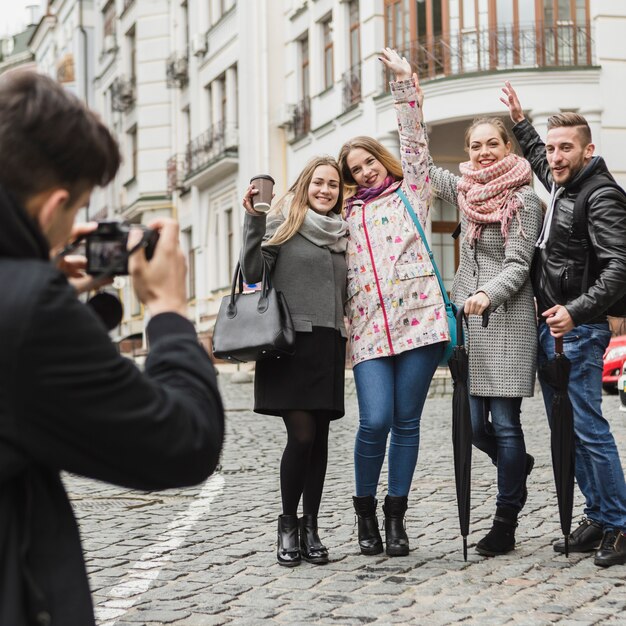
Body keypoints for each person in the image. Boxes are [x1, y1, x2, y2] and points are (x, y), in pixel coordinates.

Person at [0, 71, 224, 625]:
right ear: (53, 208)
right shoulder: (27, 310)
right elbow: (182, 442)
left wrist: (42, 284)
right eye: (76, 211)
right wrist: (169, 310)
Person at [501, 81, 626, 567]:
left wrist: (576, 310)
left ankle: (618, 523)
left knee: (589, 429)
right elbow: (537, 156)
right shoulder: (563, 182)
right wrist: (519, 121)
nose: (553, 156)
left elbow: (619, 266)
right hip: (554, 330)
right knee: (566, 432)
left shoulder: (600, 196)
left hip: (580, 328)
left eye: (565, 148)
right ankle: (597, 515)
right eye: (551, 148)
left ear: (588, 150)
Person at [337, 49, 448, 558]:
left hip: (420, 325)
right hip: (368, 331)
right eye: (353, 169)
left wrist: (404, 84)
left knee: (407, 422)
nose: (362, 173)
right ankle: (364, 511)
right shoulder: (342, 218)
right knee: (374, 419)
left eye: (366, 163)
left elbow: (415, 140)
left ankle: (395, 514)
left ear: (380, 160)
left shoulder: (413, 191)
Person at [427, 116, 543, 555]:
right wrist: (406, 95)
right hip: (469, 326)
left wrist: (485, 294)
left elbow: (518, 265)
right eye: (475, 146)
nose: (483, 152)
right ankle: (518, 467)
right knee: (474, 427)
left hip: (507, 321)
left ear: (508, 146)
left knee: (506, 425)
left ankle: (505, 521)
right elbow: (418, 163)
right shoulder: (466, 191)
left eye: (492, 143)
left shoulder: (523, 200)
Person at [240, 156, 348, 567]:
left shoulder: (342, 234)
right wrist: (252, 220)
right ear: (305, 185)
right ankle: (287, 524)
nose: (325, 190)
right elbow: (253, 272)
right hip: (289, 344)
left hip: (329, 343)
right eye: (318, 182)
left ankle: (311, 527)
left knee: (319, 440)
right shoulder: (282, 225)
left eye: (333, 185)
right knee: (301, 436)